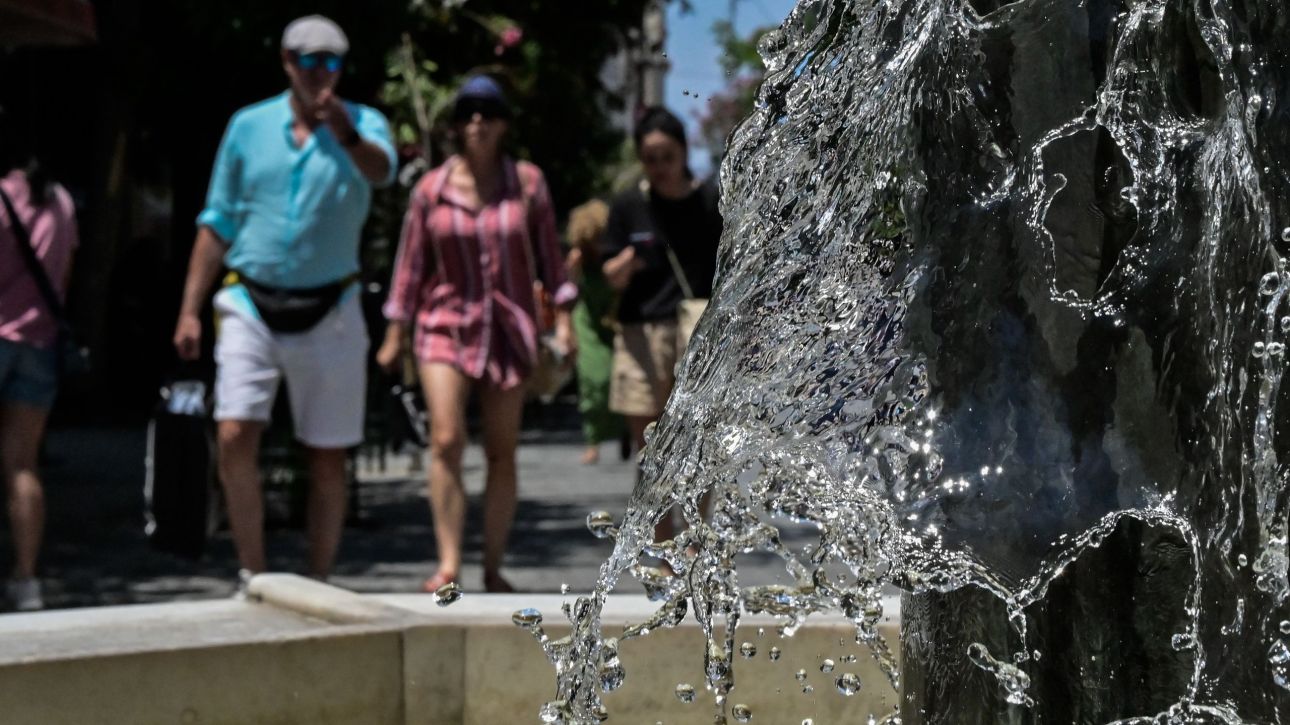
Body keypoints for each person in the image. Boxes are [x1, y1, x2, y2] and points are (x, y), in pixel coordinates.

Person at [173, 15, 396, 580]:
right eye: (307, 60)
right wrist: (189, 310)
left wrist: (345, 133)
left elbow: (382, 173)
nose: (319, 72)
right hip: (250, 300)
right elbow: (217, 221)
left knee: (327, 455)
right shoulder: (247, 126)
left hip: (332, 306)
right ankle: (254, 575)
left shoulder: (365, 124)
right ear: (287, 62)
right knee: (233, 432)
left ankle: (318, 580)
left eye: (330, 62)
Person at [377, 75, 577, 593]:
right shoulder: (431, 189)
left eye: (488, 112)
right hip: (444, 324)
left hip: (509, 327)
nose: (478, 122)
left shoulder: (527, 184)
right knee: (445, 438)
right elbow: (410, 266)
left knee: (501, 449)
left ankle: (492, 565)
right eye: (468, 113)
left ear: (504, 123)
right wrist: (395, 333)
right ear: (456, 125)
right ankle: (448, 564)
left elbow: (551, 261)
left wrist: (565, 320)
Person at [602, 106, 722, 542]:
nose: (659, 167)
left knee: (698, 443)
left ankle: (694, 543)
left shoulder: (710, 201)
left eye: (667, 156)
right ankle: (662, 546)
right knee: (650, 451)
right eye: (650, 159)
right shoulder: (629, 205)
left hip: (696, 335)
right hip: (640, 334)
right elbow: (609, 273)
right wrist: (629, 261)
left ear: (684, 151)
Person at [0, 110, 80, 611]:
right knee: (23, 464)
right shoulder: (63, 202)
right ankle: (26, 579)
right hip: (40, 343)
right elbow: (65, 273)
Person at [565, 200, 624, 465]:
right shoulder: (579, 258)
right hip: (587, 323)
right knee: (594, 381)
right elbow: (567, 291)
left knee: (620, 379)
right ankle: (593, 440)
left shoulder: (614, 254)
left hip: (614, 320)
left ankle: (626, 432)